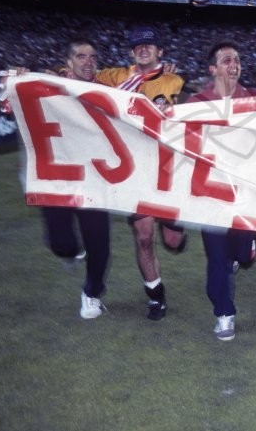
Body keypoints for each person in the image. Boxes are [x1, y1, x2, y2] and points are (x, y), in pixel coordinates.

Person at [95, 26, 187, 321]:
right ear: (131, 51)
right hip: (133, 171)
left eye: (149, 44)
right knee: (143, 237)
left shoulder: (175, 81)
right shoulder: (114, 77)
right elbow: (77, 79)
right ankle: (156, 295)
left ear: (160, 51)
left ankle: (175, 232)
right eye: (137, 45)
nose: (143, 49)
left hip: (167, 169)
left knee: (173, 242)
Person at [185, 41, 256, 340]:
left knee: (242, 255)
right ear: (213, 69)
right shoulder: (196, 103)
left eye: (237, 59)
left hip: (245, 193)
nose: (234, 64)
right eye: (227, 60)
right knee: (217, 256)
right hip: (212, 192)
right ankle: (224, 312)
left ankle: (244, 250)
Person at [37, 42, 113, 318]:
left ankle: (91, 293)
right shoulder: (49, 86)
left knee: (99, 245)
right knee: (62, 244)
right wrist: (18, 80)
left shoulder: (107, 91)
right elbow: (9, 106)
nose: (88, 61)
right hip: (58, 177)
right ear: (68, 62)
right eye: (81, 56)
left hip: (94, 178)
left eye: (93, 57)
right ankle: (70, 252)